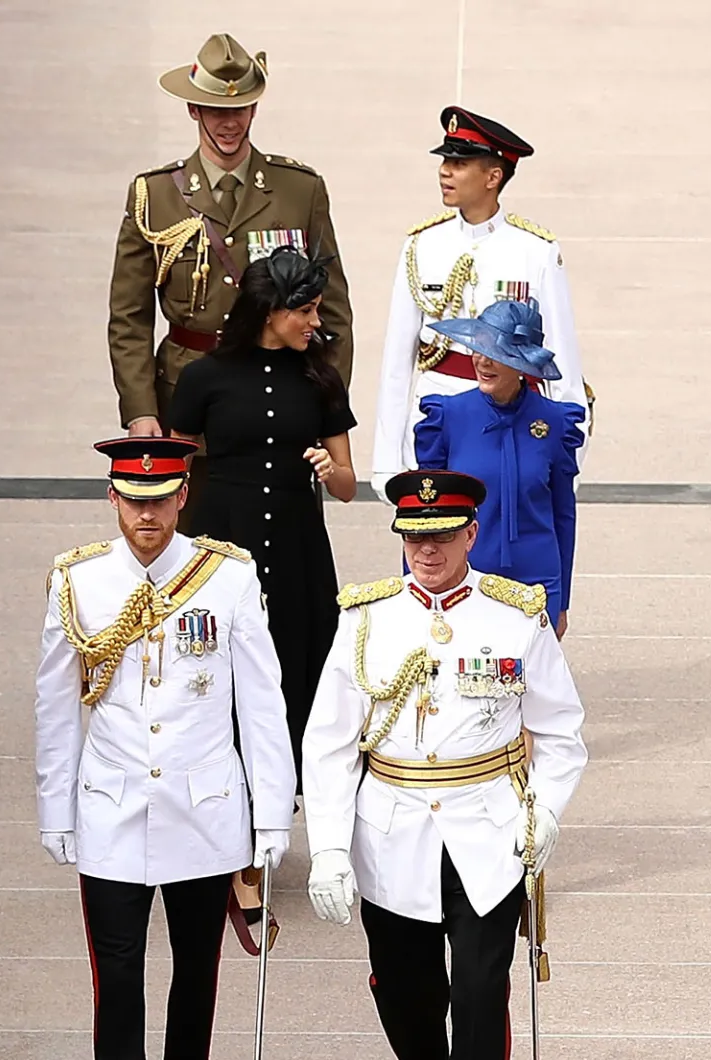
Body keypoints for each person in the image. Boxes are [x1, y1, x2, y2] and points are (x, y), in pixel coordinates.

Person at [299, 470, 588, 1060]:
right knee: (406, 995)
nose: (425, 550)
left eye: (441, 536)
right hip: (391, 833)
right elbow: (328, 744)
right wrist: (328, 847)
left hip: (486, 838)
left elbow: (561, 734)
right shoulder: (365, 620)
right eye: (413, 537)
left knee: (480, 1003)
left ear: (469, 535)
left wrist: (544, 813)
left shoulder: (515, 618)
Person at [34, 436, 295, 1060]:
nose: (145, 514)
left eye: (159, 499)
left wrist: (270, 812)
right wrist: (55, 807)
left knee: (195, 968)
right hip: (111, 810)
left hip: (203, 809)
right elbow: (55, 701)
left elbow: (261, 702)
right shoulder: (79, 580)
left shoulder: (228, 576)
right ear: (112, 500)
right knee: (116, 992)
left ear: (182, 497)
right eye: (132, 500)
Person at [108, 32, 354, 532]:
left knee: (280, 543)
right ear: (193, 110)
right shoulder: (156, 195)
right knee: (192, 547)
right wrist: (140, 410)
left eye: (240, 108)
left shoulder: (298, 189)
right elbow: (129, 317)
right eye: (215, 109)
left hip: (281, 398)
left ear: (254, 108)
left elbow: (333, 312)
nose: (229, 122)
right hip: (190, 407)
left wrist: (322, 406)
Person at [170, 245, 357, 771]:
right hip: (223, 538)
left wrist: (330, 469)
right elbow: (172, 473)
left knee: (299, 657)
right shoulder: (204, 377)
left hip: (299, 542)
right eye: (305, 311)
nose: (315, 322)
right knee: (217, 659)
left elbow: (347, 486)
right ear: (271, 311)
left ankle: (288, 782)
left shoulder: (321, 379)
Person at [372, 107, 590, 497]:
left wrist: (570, 452)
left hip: (512, 415)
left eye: (459, 164)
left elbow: (561, 359)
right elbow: (396, 363)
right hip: (437, 416)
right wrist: (387, 463)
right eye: (444, 162)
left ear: (493, 177)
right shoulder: (422, 245)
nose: (445, 172)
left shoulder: (535, 251)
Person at [415, 298, 581, 637]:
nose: (482, 360)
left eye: (497, 351)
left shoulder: (556, 422)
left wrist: (562, 599)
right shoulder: (448, 417)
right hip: (465, 581)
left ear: (522, 363)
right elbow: (423, 513)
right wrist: (416, 589)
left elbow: (563, 515)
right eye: (479, 347)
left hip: (538, 584)